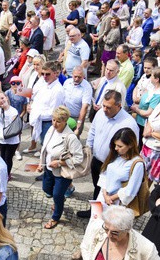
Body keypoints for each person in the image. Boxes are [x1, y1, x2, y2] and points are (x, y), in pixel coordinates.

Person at [76, 91, 139, 219]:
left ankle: (104, 216)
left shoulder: (129, 123)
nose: (104, 109)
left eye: (108, 107)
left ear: (119, 106)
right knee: (97, 187)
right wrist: (89, 146)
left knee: (108, 191)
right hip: (97, 160)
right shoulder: (100, 113)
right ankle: (95, 212)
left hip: (114, 165)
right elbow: (93, 130)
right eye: (103, 105)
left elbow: (132, 146)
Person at [38, 106, 83, 230]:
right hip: (48, 168)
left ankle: (55, 217)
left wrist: (59, 162)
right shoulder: (51, 130)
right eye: (53, 120)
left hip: (62, 172)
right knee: (46, 188)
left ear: (65, 121)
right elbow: (45, 148)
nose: (54, 123)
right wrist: (40, 162)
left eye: (58, 121)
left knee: (57, 195)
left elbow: (79, 158)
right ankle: (61, 197)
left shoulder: (70, 137)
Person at [95, 127, 147, 216]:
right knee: (94, 225)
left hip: (117, 204)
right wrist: (105, 195)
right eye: (115, 145)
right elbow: (104, 175)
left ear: (130, 145)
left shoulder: (137, 164)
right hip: (102, 197)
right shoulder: (115, 156)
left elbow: (131, 190)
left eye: (120, 146)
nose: (116, 148)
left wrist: (110, 198)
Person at [0, 92, 21, 177]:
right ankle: (4, 172)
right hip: (2, 139)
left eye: (2, 98)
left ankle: (7, 174)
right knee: (2, 157)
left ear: (7, 98)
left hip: (12, 141)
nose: (1, 101)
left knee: (8, 158)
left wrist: (4, 135)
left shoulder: (13, 111)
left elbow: (14, 128)